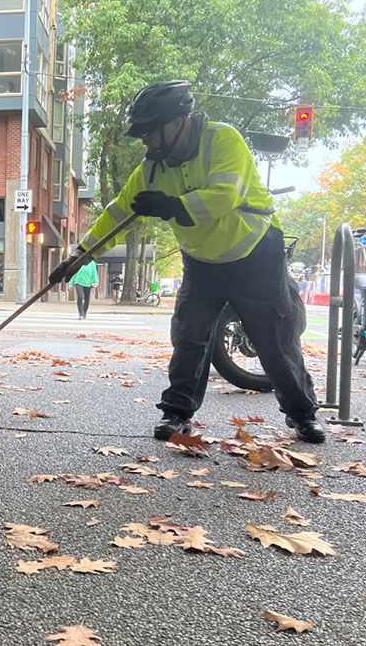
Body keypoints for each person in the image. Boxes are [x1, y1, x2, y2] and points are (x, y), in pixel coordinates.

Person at [48, 80, 325, 444]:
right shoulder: (152, 168)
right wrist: (79, 256)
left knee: (274, 337)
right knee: (189, 336)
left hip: (254, 255)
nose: (145, 141)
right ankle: (177, 413)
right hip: (202, 263)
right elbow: (117, 213)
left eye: (149, 132)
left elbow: (224, 195)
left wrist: (172, 206)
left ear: (177, 122)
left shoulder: (223, 140)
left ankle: (302, 414)